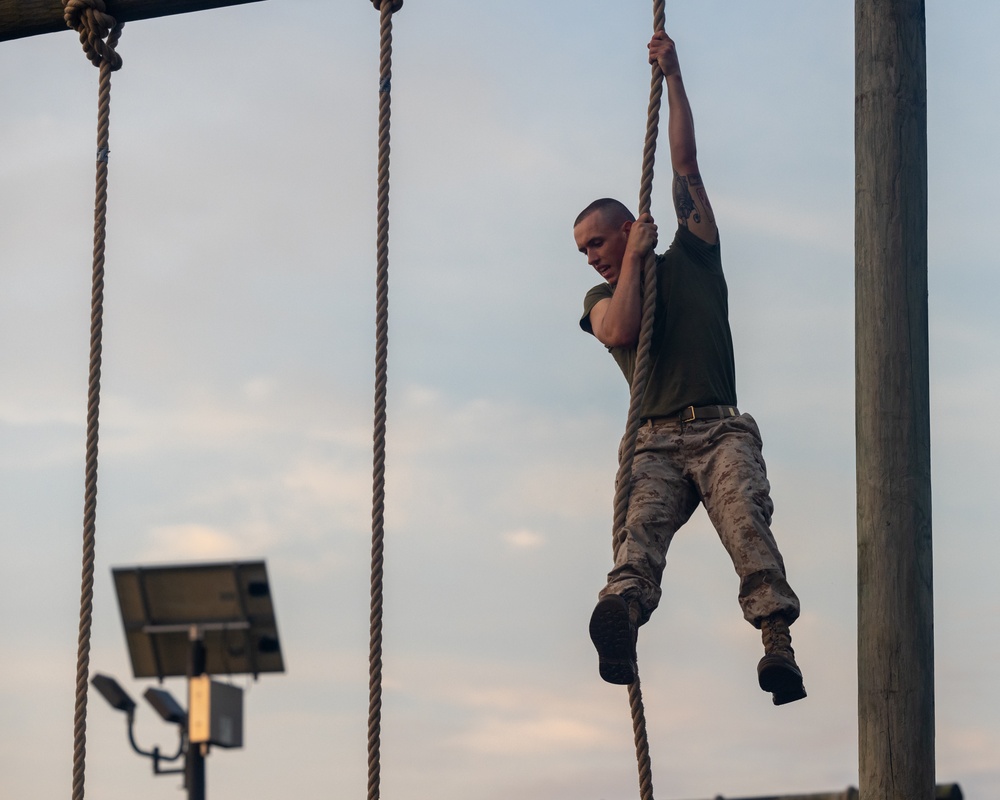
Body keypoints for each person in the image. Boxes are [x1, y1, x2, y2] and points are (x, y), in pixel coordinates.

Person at [575, 31, 805, 705]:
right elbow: (621, 328)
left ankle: (776, 645)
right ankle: (621, 621)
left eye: (598, 242)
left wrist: (673, 76)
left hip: (718, 430)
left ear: (626, 228)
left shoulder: (695, 256)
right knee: (637, 541)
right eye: (583, 251)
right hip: (656, 442)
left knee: (746, 522)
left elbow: (685, 162)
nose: (591, 257)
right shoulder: (602, 300)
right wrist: (633, 265)